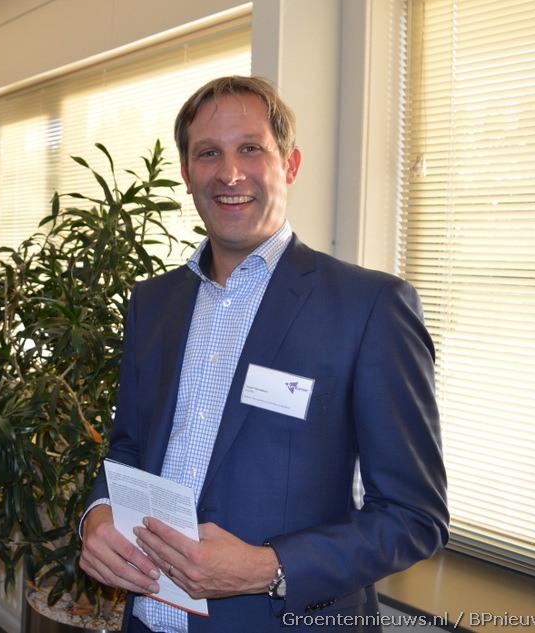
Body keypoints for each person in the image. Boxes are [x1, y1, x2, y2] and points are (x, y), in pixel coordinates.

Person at [79, 76, 448, 633]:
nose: (230, 174)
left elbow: (414, 517)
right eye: (209, 153)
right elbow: (129, 446)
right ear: (187, 175)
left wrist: (268, 568)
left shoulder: (369, 307)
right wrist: (98, 512)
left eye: (250, 148)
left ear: (290, 164)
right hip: (148, 618)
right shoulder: (153, 303)